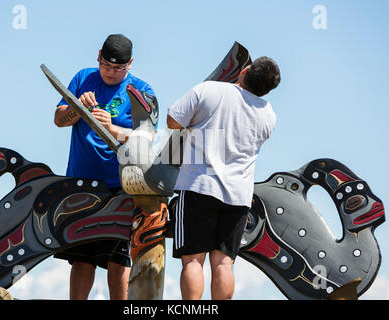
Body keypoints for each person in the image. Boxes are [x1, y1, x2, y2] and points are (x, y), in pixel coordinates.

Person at [167, 56, 281, 300]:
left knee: (192, 261)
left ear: (246, 70)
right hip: (238, 196)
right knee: (223, 265)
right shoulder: (268, 115)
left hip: (199, 186)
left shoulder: (209, 90)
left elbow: (173, 121)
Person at [53, 34, 155, 300]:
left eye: (118, 68)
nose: (110, 72)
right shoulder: (83, 78)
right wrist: (78, 108)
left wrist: (112, 129)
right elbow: (59, 120)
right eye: (106, 65)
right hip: (80, 183)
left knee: (117, 258)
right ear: (98, 56)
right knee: (81, 258)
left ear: (130, 64)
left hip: (120, 186)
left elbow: (148, 138)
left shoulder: (142, 91)